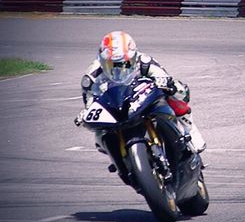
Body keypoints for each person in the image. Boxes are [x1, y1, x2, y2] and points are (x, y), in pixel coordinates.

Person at [75, 30, 206, 155]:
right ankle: (118, 156)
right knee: (99, 137)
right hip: (115, 104)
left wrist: (164, 82)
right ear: (102, 60)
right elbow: (89, 100)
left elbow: (163, 76)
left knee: (178, 91)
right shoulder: (92, 75)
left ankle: (190, 130)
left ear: (134, 56)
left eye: (125, 63)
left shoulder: (144, 62)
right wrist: (87, 111)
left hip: (142, 96)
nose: (119, 68)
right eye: (111, 64)